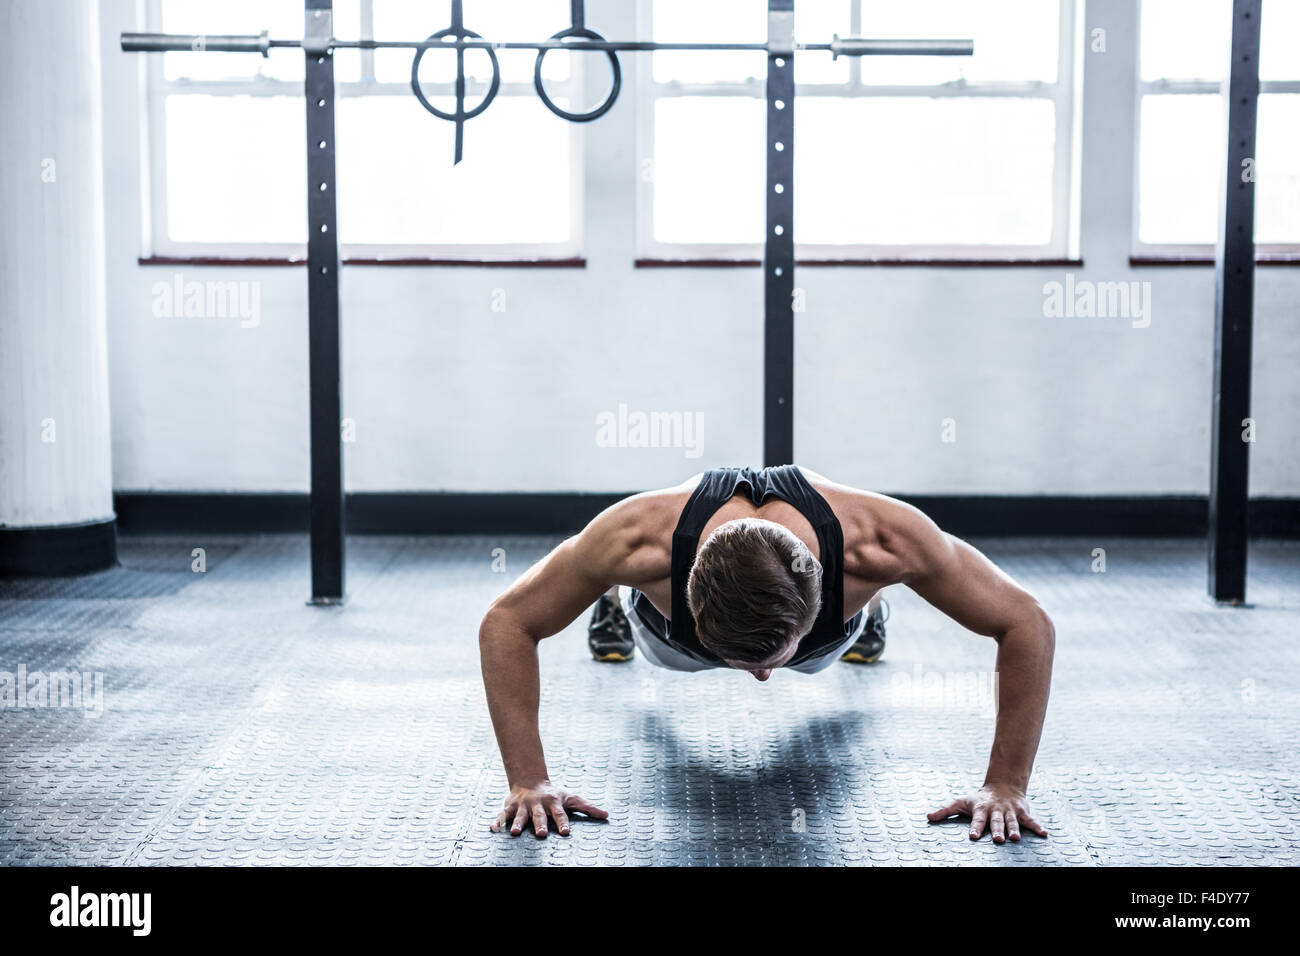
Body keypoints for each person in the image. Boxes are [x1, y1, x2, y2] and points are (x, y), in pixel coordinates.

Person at [478, 465, 1054, 843]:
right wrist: (527, 780)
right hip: (671, 634)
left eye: (770, 660)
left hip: (826, 631)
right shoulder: (635, 540)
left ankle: (868, 610)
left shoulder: (882, 543)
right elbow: (508, 621)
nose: (758, 678)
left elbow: (1026, 622)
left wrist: (1006, 784)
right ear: (692, 598)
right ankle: (611, 595)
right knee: (647, 632)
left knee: (822, 652)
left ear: (823, 588)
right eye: (744, 662)